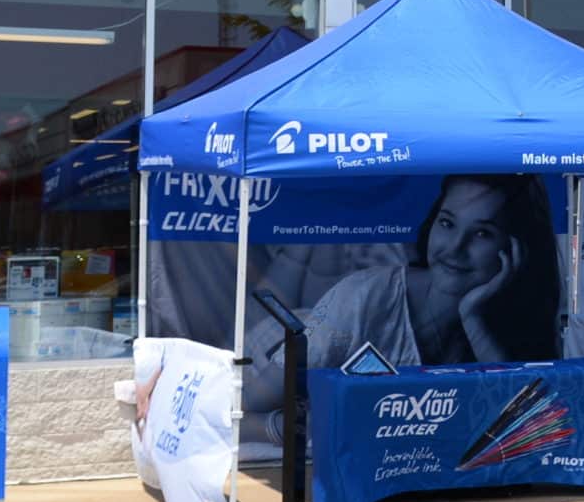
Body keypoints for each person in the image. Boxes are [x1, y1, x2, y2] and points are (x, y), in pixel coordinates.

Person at [237, 174, 563, 441]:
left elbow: (528, 428)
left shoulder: (517, 322)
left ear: (518, 250)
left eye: (481, 233)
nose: (455, 248)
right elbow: (239, 411)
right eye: (447, 223)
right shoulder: (361, 299)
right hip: (277, 346)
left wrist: (474, 319)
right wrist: (281, 428)